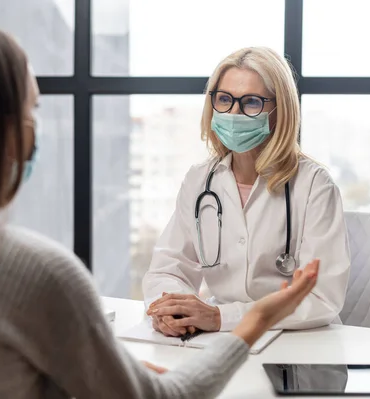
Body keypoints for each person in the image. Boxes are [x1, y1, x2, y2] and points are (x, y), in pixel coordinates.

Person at [0, 26, 318, 399]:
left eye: (251, 102)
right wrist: (254, 320)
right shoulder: (36, 272)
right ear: (5, 135)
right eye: (33, 109)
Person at [142, 47, 350, 337]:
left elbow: (321, 299)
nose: (234, 113)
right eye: (225, 99)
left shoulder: (315, 185)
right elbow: (168, 269)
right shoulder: (200, 179)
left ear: (280, 110)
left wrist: (218, 317)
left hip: (297, 340)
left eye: (251, 102)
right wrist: (171, 310)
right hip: (220, 339)